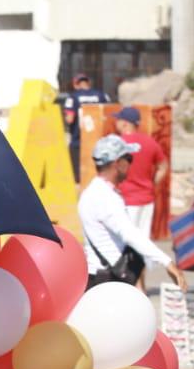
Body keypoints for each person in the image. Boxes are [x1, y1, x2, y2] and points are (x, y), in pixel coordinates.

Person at [78, 136, 186, 291]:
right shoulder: (105, 197)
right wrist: (167, 262)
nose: (130, 164)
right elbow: (130, 234)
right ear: (118, 163)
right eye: (128, 158)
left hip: (100, 275)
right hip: (107, 281)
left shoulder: (94, 192)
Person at [112, 107, 169, 288]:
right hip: (146, 201)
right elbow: (163, 166)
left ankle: (128, 286)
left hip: (126, 201)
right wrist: (152, 184)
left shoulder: (117, 144)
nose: (116, 123)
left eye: (118, 120)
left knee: (123, 247)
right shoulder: (150, 142)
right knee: (142, 245)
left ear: (125, 122)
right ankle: (140, 287)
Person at [61, 73, 111, 182]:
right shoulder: (102, 95)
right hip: (99, 140)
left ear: (75, 85)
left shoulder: (73, 97)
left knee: (79, 179)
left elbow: (69, 119)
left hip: (79, 141)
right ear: (88, 83)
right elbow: (110, 114)